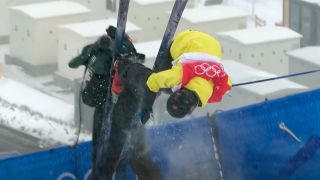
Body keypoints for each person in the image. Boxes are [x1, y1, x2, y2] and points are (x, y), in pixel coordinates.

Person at [68, 26, 163, 180]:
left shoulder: (113, 67)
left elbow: (89, 98)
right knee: (135, 160)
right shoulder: (116, 66)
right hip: (123, 120)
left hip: (116, 122)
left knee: (109, 163)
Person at [117, 29, 232, 120]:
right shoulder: (179, 75)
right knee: (159, 82)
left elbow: (228, 84)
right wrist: (147, 103)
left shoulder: (220, 88)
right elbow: (152, 81)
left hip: (213, 45)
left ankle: (156, 86)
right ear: (191, 110)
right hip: (187, 39)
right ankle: (123, 66)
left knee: (164, 84)